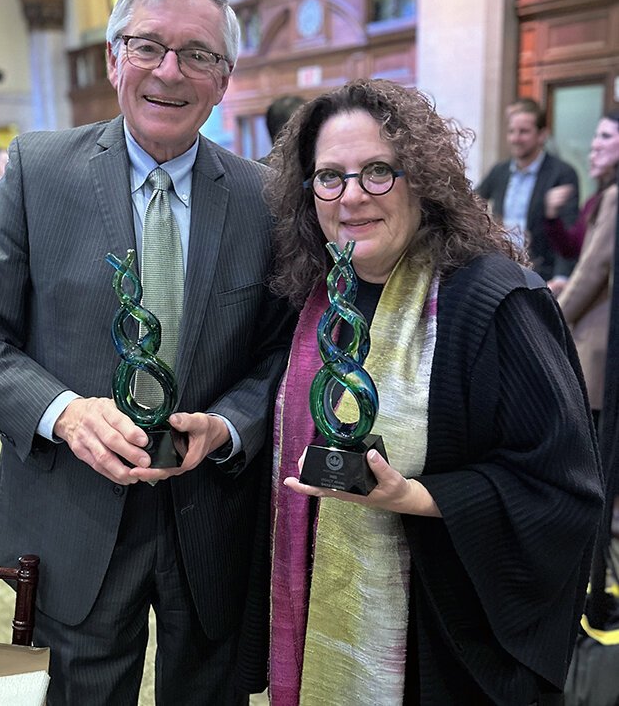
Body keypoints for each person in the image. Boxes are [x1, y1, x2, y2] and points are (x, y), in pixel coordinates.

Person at [0, 0, 293, 705]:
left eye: (198, 54)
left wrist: (229, 424)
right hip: (70, 516)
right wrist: (63, 411)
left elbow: (279, 355)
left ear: (224, 79)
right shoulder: (38, 171)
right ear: (111, 58)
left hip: (209, 523)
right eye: (149, 46)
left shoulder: (264, 200)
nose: (170, 71)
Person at [264, 79, 603, 704]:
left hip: (446, 647)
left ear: (421, 177)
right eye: (330, 177)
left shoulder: (494, 301)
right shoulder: (314, 304)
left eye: (377, 172)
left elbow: (564, 488)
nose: (352, 197)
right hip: (321, 617)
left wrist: (419, 497)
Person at [544, 110, 619, 425]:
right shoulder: (601, 196)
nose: (595, 146)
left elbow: (592, 269)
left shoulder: (614, 196)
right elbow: (576, 249)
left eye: (605, 137)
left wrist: (553, 318)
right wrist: (551, 216)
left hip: (597, 333)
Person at [477, 98, 579, 283]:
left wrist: (561, 277)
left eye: (523, 132)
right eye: (511, 132)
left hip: (542, 274)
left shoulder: (562, 173)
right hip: (502, 268)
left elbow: (568, 230)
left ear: (542, 135)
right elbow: (472, 202)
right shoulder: (500, 170)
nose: (516, 138)